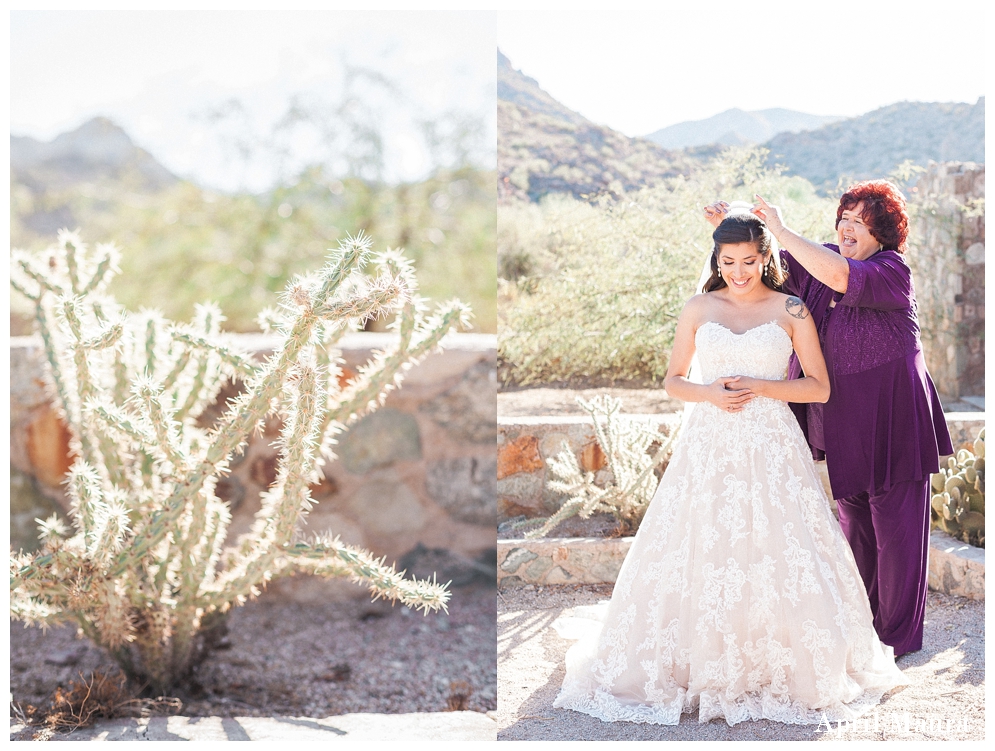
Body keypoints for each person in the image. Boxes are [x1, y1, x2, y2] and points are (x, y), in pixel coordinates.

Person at [553, 211, 905, 726]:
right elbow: (673, 381)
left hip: (772, 444)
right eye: (728, 262)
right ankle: (695, 661)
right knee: (704, 541)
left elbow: (819, 387)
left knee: (775, 546)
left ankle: (779, 662)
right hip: (709, 442)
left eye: (748, 260)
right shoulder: (699, 307)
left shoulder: (792, 308)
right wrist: (708, 394)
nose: (739, 271)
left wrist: (762, 387)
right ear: (717, 261)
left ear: (766, 257)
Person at [704, 183, 952, 658]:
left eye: (858, 222)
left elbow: (840, 275)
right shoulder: (820, 263)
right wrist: (730, 230)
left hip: (893, 422)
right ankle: (860, 632)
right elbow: (767, 268)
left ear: (881, 232)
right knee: (855, 531)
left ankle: (895, 640)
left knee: (897, 537)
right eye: (843, 218)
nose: (846, 227)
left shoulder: (890, 269)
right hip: (840, 425)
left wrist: (781, 227)